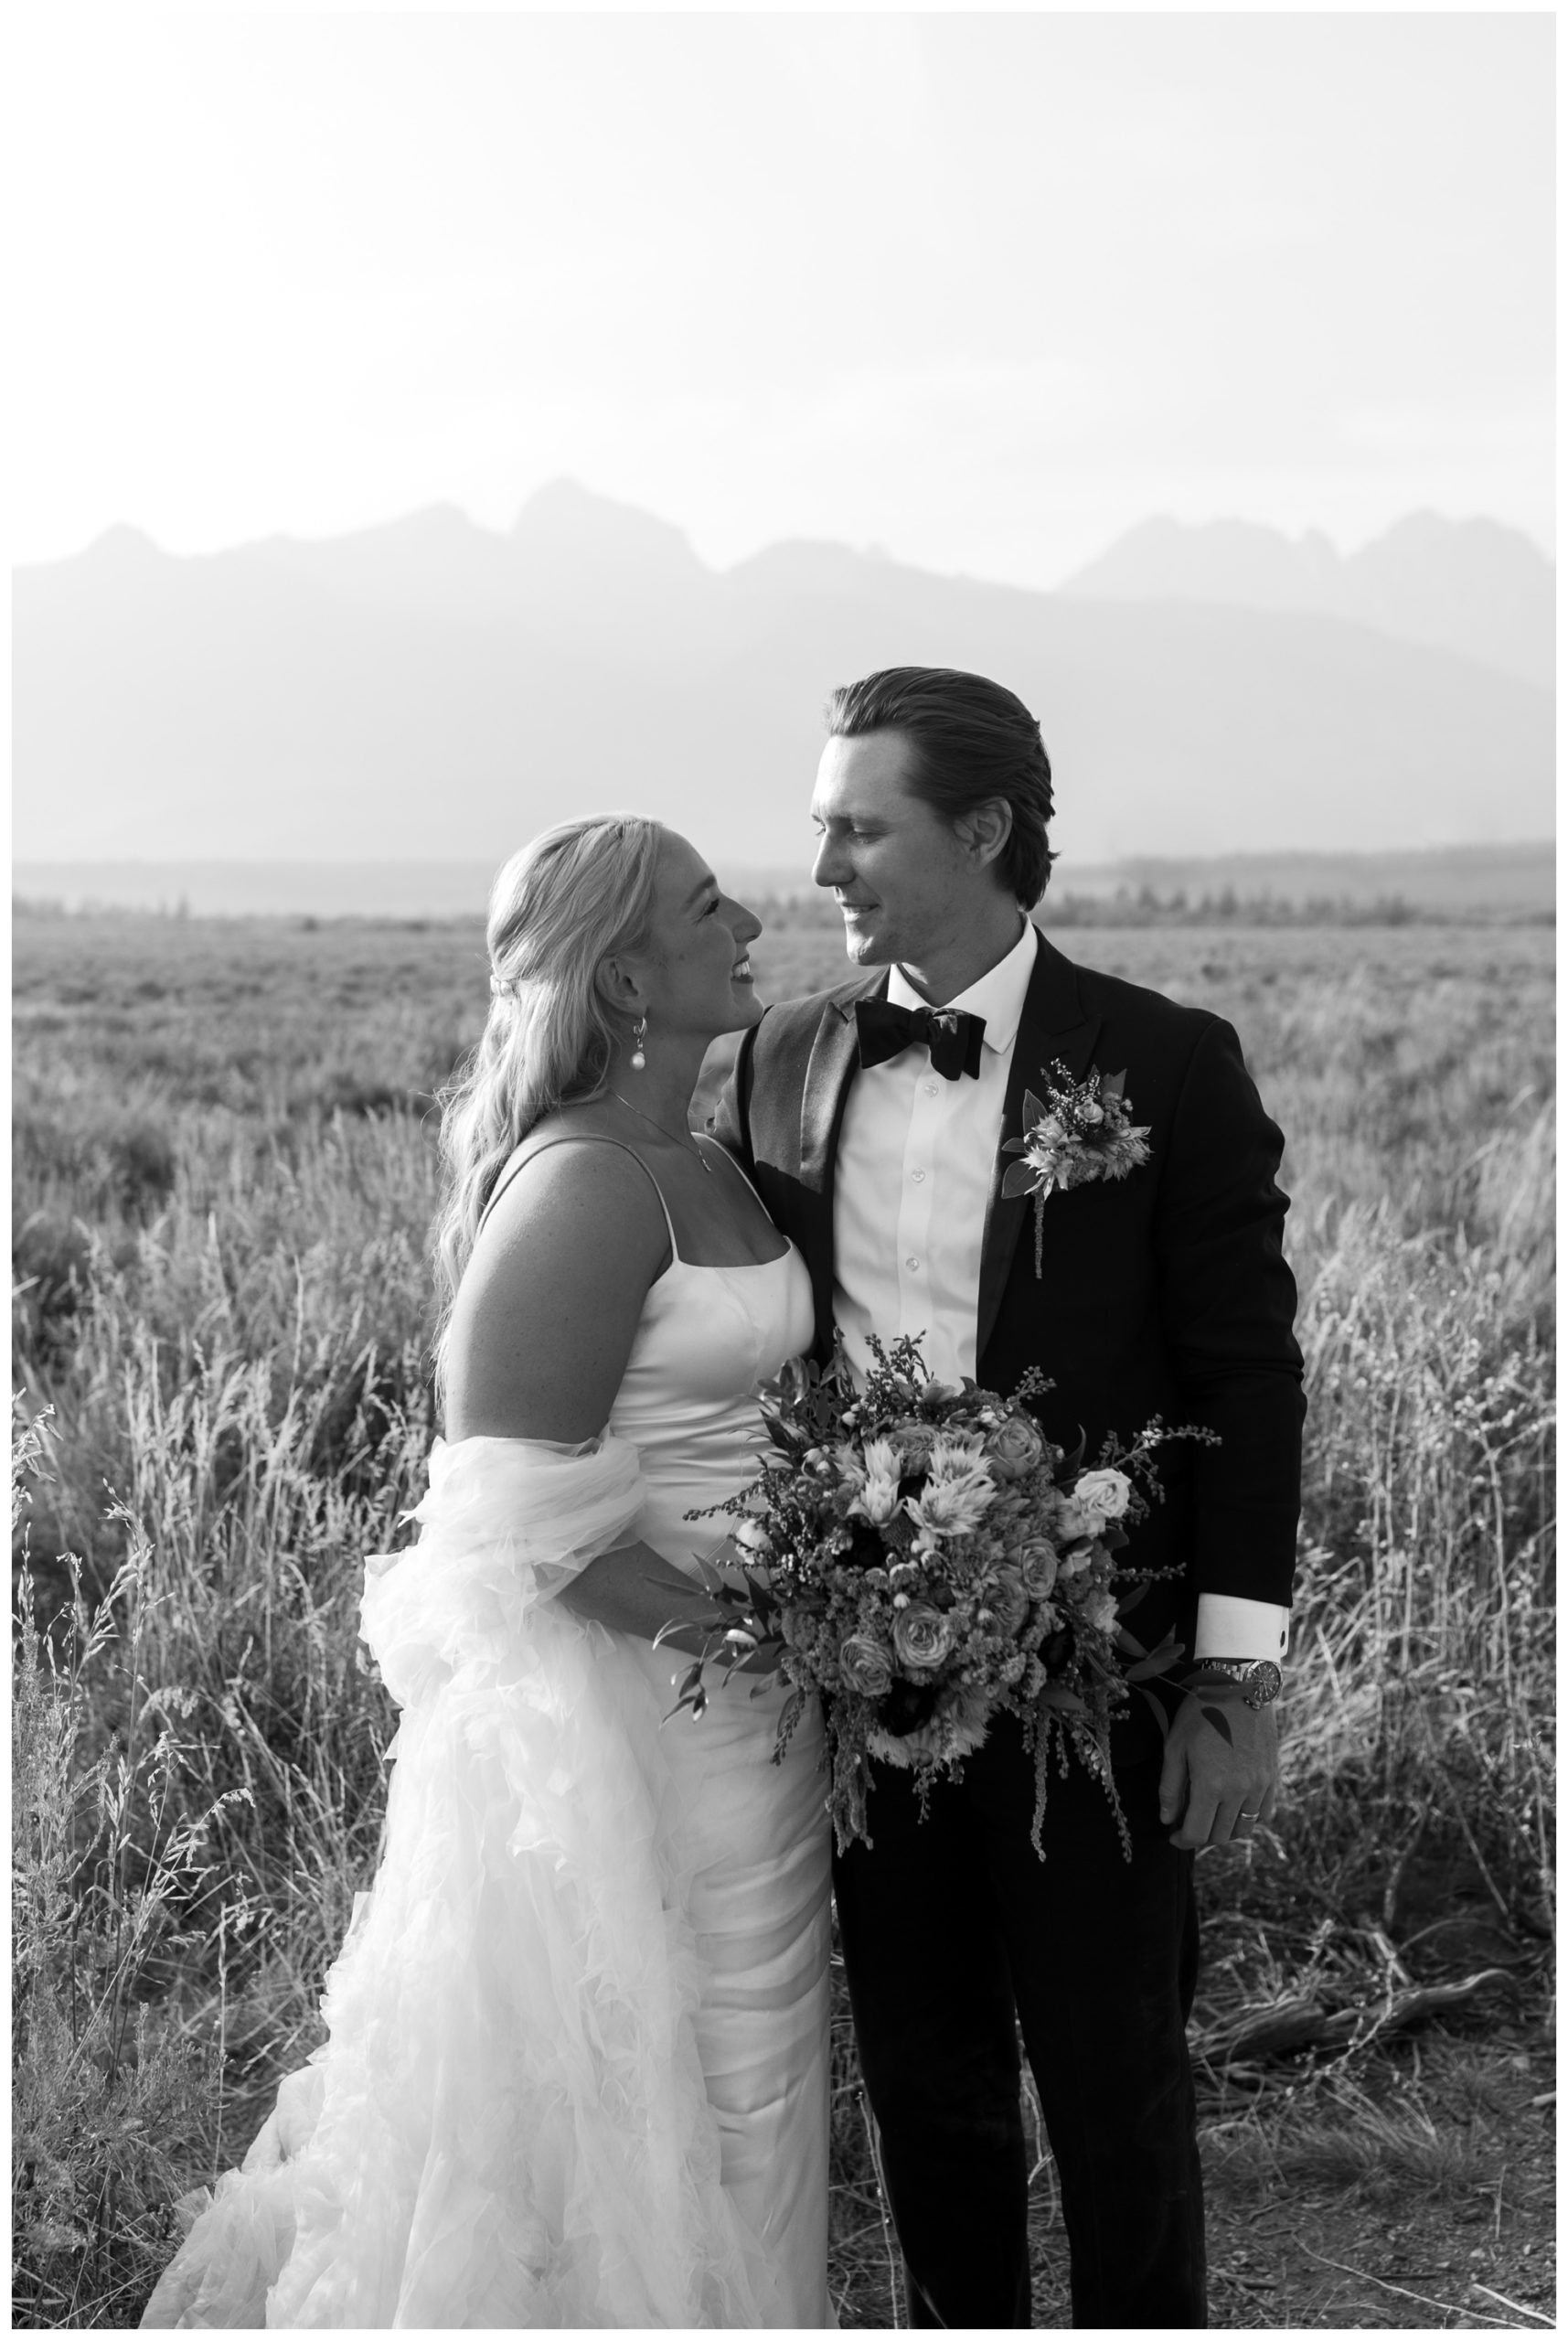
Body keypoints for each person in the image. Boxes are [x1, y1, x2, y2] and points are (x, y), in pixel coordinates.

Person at [142, 816, 834, 2330]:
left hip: (757, 1725)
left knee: (756, 2084)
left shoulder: (703, 1157)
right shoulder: (586, 1187)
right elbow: (513, 1532)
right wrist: (775, 1637)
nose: (747, 927)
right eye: (707, 908)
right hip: (650, 1727)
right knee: (657, 2099)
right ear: (626, 981)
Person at [712, 666, 1305, 2329]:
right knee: (922, 2080)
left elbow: (1249, 1382)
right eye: (821, 824)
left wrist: (1235, 1677)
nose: (823, 865)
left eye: (860, 827)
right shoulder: (774, 1060)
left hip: (1107, 1665)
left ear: (982, 830)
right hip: (861, 1663)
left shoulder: (1166, 1063)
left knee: (1120, 2086)